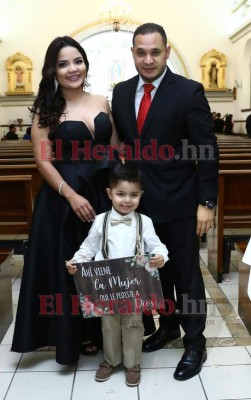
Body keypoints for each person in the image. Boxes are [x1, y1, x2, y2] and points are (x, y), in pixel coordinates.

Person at [112, 23, 219, 381]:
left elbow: (207, 151)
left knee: (187, 275)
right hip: (140, 206)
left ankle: (194, 342)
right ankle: (168, 325)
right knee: (155, 274)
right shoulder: (123, 92)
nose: (148, 59)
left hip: (180, 202)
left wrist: (207, 202)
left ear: (167, 52)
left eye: (154, 52)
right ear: (132, 54)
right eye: (140, 52)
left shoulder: (189, 92)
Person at [11, 36, 120, 365]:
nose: (72, 69)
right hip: (63, 200)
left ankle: (104, 330)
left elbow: (115, 147)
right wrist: (71, 195)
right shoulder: (47, 110)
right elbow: (43, 161)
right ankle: (75, 335)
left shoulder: (102, 101)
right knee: (69, 267)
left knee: (103, 264)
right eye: (63, 64)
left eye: (77, 61)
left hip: (101, 195)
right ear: (52, 70)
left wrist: (118, 191)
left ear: (85, 63)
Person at [66, 163, 168, 386]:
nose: (127, 200)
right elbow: (89, 247)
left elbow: (158, 246)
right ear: (109, 194)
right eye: (121, 194)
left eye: (133, 195)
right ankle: (111, 360)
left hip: (135, 284)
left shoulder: (145, 222)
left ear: (141, 195)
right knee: (109, 324)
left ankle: (132, 363)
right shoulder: (101, 220)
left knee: (133, 323)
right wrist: (76, 261)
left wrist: (160, 257)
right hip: (106, 284)